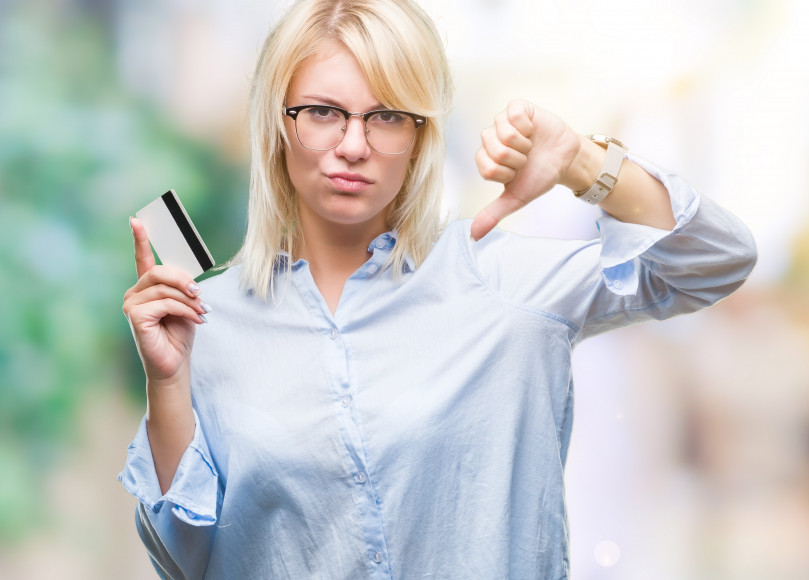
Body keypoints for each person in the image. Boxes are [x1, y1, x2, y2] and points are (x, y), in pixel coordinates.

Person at [118, 0, 757, 577]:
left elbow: (717, 259)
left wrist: (583, 164)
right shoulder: (208, 318)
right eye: (322, 112)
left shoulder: (503, 284)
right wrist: (168, 383)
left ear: (421, 134)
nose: (353, 145)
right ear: (278, 123)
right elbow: (188, 560)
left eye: (387, 116)